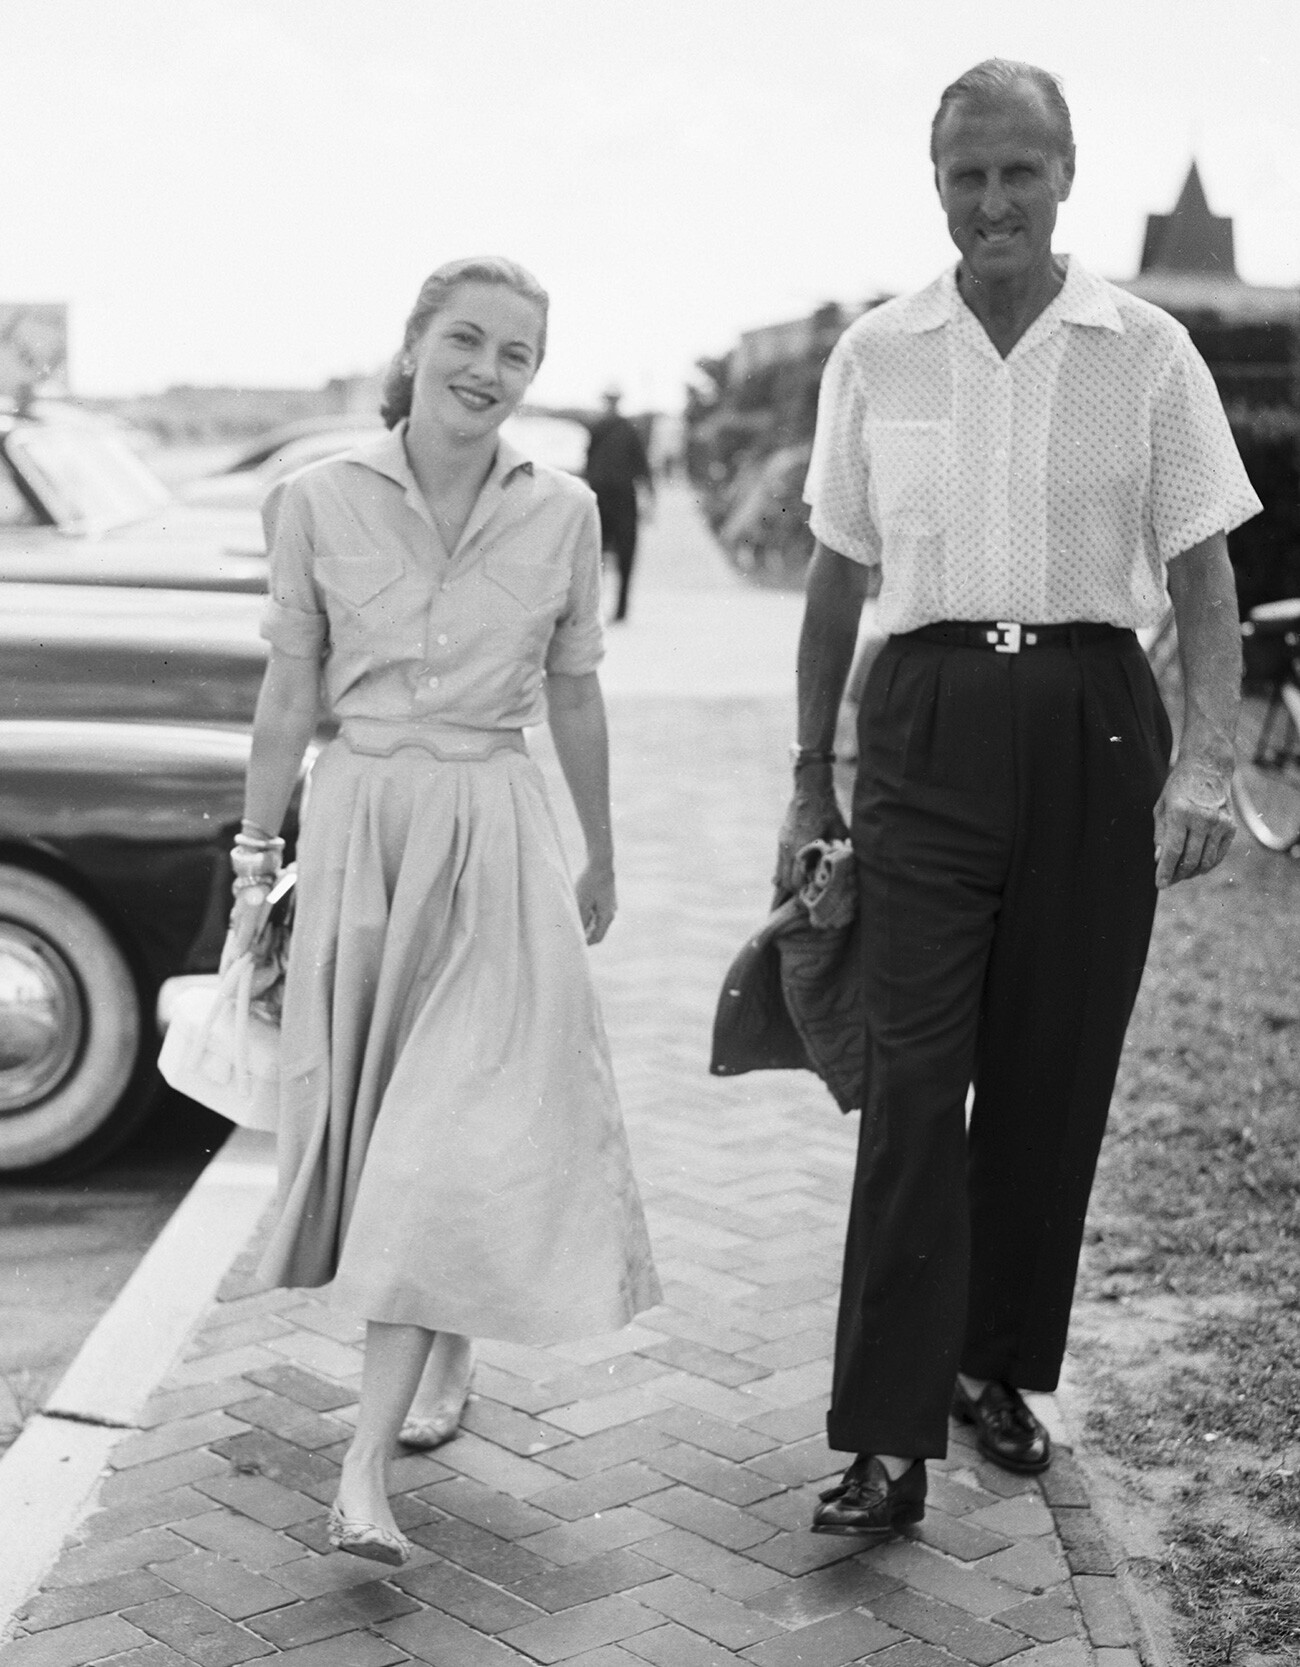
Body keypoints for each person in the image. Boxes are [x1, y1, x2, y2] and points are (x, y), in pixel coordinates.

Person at [777, 59, 1261, 1539]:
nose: (995, 199)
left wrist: (1205, 761)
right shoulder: (877, 352)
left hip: (1094, 719)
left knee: (1051, 1078)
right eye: (968, 172)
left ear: (1065, 177)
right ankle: (884, 1435)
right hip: (924, 721)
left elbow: (1202, 572)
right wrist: (810, 770)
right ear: (937, 182)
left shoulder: (1149, 349)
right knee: (914, 1082)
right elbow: (836, 575)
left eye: (1020, 171)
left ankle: (995, 1366)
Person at [228, 256, 661, 1565]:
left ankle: (360, 1475)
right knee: (395, 1125)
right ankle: (446, 1344)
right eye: (464, 338)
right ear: (413, 341)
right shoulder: (309, 499)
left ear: (535, 374)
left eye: (515, 353)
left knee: (445, 1130)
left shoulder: (568, 510)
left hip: (498, 830)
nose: (486, 367)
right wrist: (255, 863)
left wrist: (600, 850)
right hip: (361, 827)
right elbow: (289, 690)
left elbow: (576, 689)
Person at [583, 386, 654, 622]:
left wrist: (650, 497)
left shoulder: (628, 429)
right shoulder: (597, 428)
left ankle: (621, 608)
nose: (611, 405)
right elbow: (588, 462)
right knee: (595, 554)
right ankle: (592, 608)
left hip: (624, 497)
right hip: (600, 497)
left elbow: (642, 465)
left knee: (626, 553)